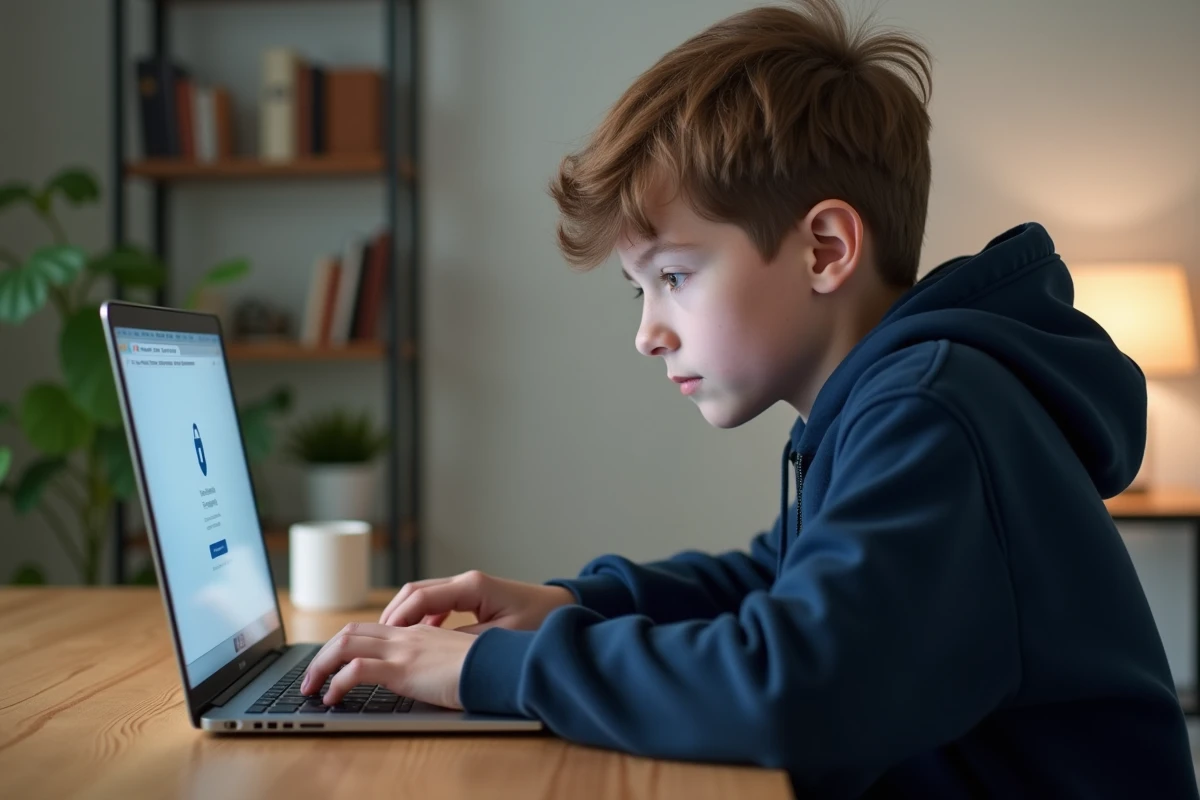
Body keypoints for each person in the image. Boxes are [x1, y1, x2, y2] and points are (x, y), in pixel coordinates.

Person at [300, 1, 1198, 795]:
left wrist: (492, 669)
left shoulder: (934, 415)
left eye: (676, 276)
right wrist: (573, 605)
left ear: (825, 249)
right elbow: (772, 580)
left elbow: (797, 689)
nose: (648, 331)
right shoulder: (890, 403)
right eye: (639, 289)